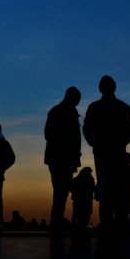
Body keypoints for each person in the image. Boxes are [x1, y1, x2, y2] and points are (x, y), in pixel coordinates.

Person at [83, 76, 130, 230]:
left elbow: (87, 129)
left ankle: (108, 223)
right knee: (116, 188)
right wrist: (120, 142)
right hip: (115, 152)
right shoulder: (122, 107)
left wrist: (96, 143)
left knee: (106, 189)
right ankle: (118, 223)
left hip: (103, 152)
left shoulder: (95, 107)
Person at [44, 86, 82, 231]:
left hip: (59, 157)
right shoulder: (67, 112)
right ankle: (57, 217)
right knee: (62, 188)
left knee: (60, 188)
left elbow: (48, 134)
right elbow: (50, 134)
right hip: (63, 157)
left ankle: (57, 217)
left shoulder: (56, 111)